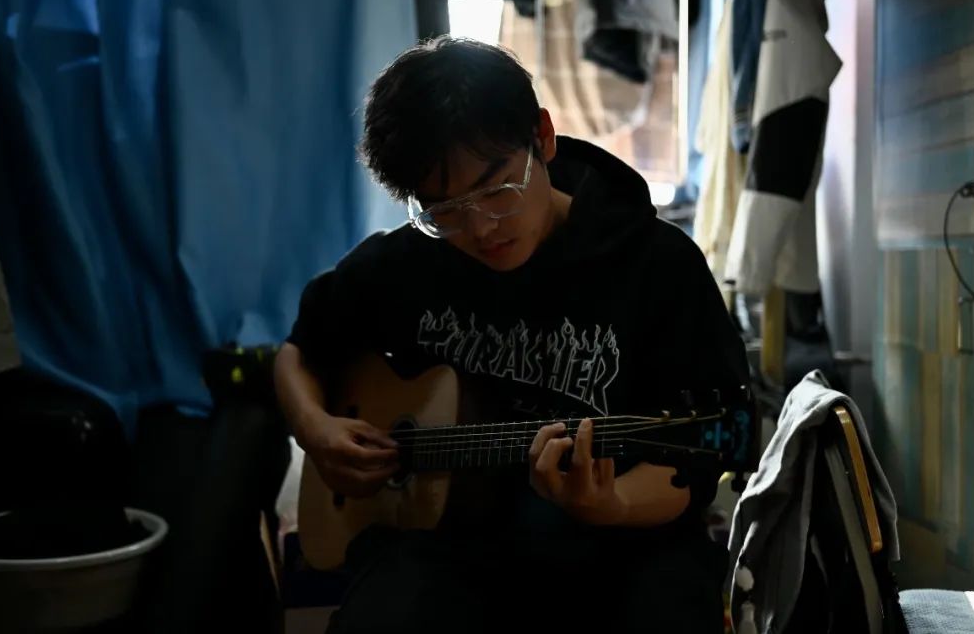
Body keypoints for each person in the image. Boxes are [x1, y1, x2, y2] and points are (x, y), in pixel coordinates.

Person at [274, 37, 749, 633]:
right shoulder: (412, 260)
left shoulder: (656, 265)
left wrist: (611, 503)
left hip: (626, 548)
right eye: (444, 211)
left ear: (542, 137)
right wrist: (315, 431)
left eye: (497, 190)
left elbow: (701, 455)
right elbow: (298, 352)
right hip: (451, 551)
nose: (480, 228)